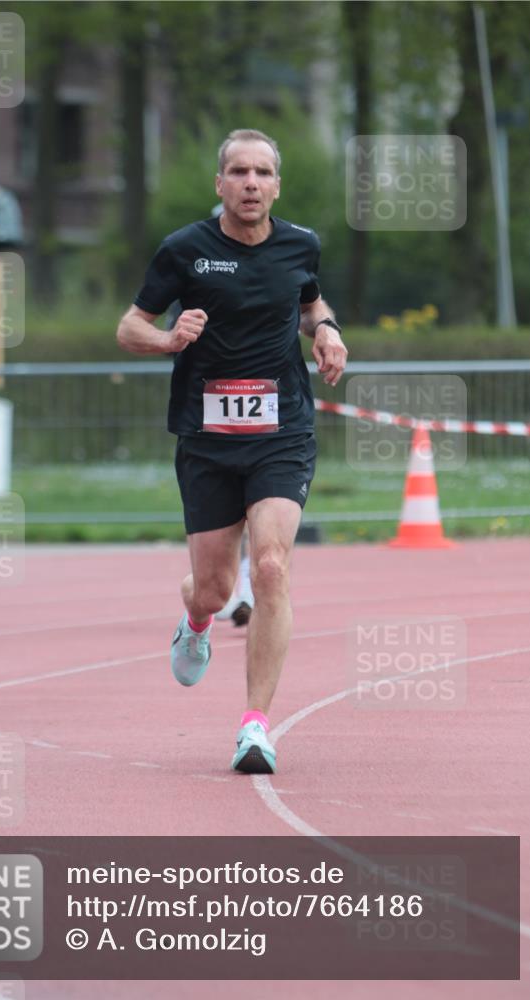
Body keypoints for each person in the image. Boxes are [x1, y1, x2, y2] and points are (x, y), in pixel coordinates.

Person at [116, 128, 347, 774]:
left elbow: (308, 299)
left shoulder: (300, 244)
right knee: (215, 588)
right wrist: (166, 341)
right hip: (207, 438)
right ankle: (194, 620)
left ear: (276, 185)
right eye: (238, 172)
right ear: (219, 183)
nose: (250, 183)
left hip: (282, 431)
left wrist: (326, 329)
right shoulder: (184, 250)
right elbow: (129, 325)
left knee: (270, 566)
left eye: (262, 173)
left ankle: (254, 727)